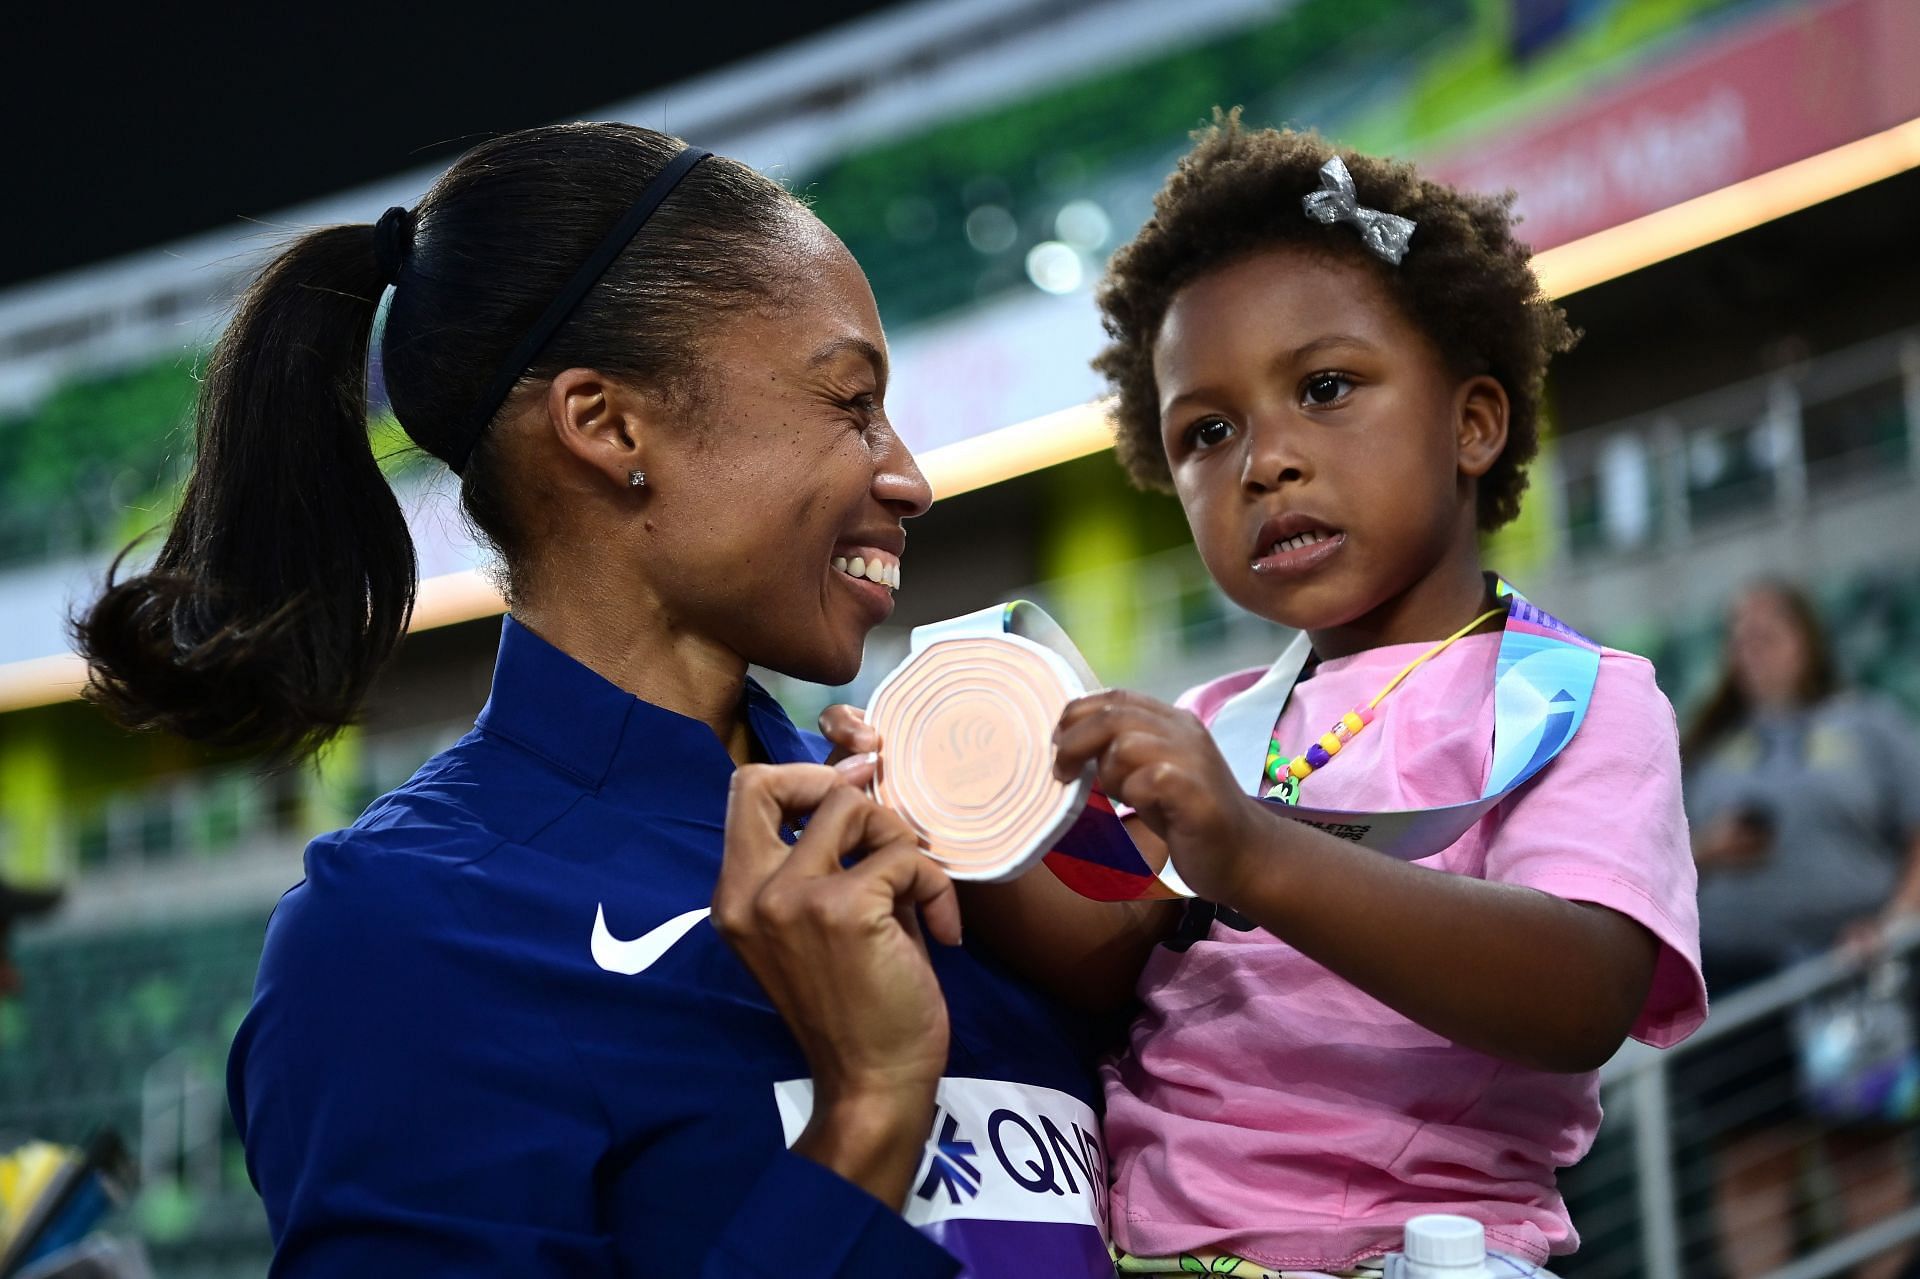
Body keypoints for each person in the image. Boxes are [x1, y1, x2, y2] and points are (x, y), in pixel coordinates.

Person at [73, 123, 1114, 1276]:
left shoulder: (959, 844)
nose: (908, 475)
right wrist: (867, 1112)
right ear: (608, 423)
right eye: (849, 401)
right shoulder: (402, 935)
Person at [827, 111, 1705, 1276]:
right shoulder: (1219, 720)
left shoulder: (1580, 698)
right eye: (1208, 432)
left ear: (1474, 423)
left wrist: (1250, 851)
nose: (1265, 460)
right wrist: (936, 814)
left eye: (1328, 386)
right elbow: (1107, 951)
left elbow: (1584, 990)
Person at [1683, 579, 1920, 1279]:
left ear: (1807, 636)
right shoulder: (1708, 745)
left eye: (1766, 630)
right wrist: (1712, 849)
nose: (1747, 647)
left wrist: (1893, 924)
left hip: (1850, 967)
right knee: (1753, 1158)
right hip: (1736, 978)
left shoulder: (1871, 722)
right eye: (1737, 634)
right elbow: (1659, 864)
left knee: (1863, 1149)